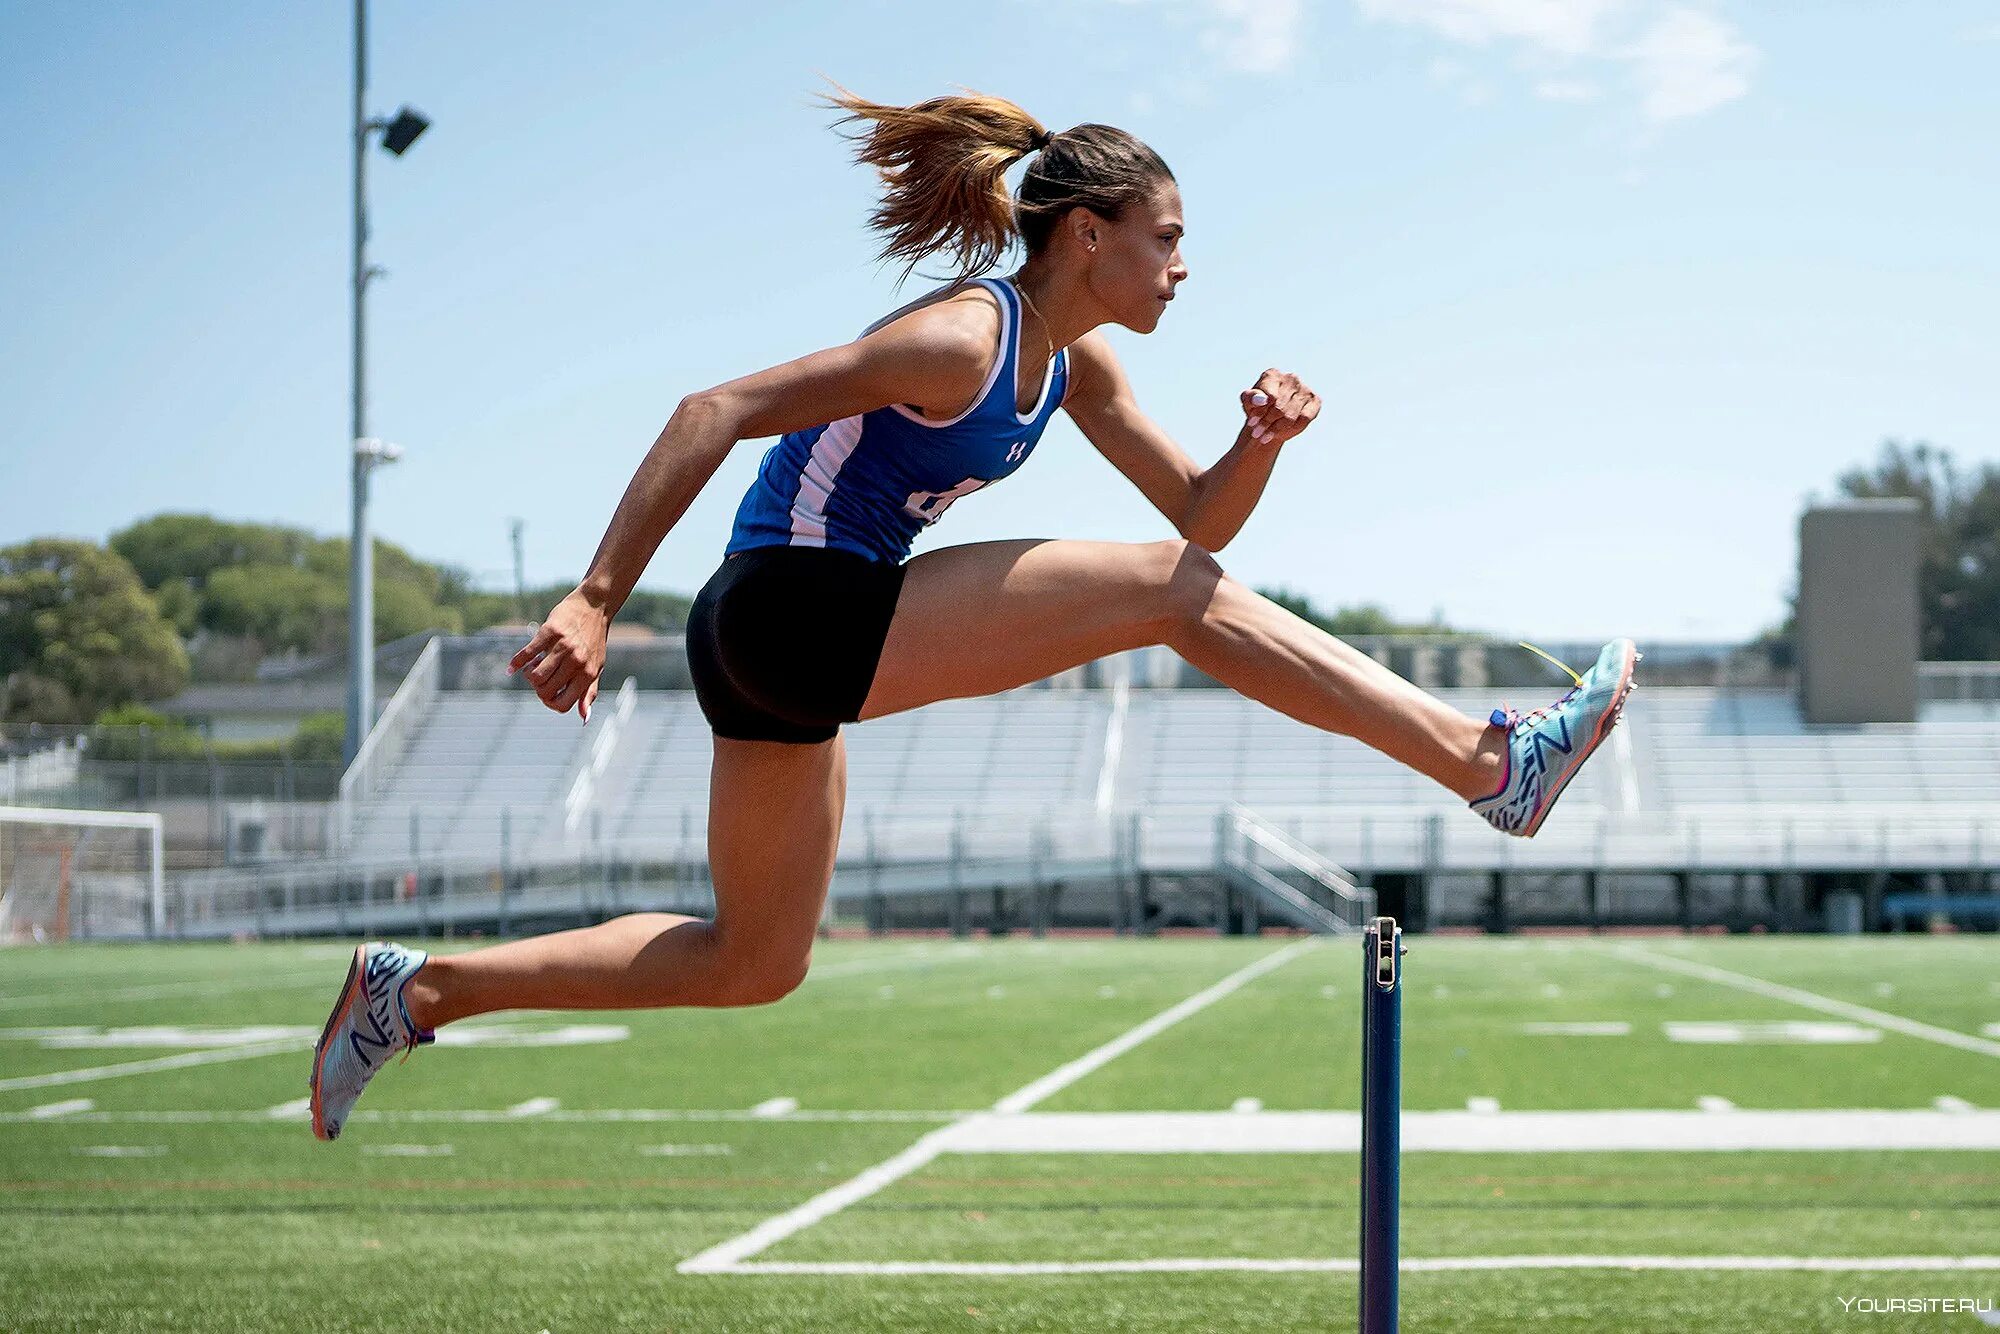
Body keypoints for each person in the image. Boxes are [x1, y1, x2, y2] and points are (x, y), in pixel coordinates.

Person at [309, 84, 1638, 1141]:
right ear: (1089, 234)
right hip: (796, 602)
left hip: (777, 648)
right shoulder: (968, 336)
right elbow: (712, 409)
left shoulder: (1073, 366)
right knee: (1170, 602)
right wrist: (597, 598)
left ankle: (416, 991)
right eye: (1167, 237)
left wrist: (1262, 440)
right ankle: (1490, 762)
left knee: (755, 957)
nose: (1184, 266)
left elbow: (1200, 514)